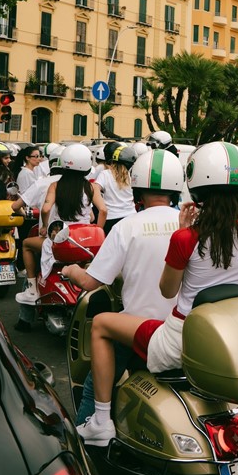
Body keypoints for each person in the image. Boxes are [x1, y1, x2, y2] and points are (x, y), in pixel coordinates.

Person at [76, 141, 238, 446]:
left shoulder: (186, 237)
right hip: (224, 339)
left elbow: (168, 290)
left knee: (100, 324)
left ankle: (99, 421)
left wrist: (182, 236)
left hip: (177, 339)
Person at [61, 148, 184, 423]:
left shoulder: (127, 227)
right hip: (184, 330)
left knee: (95, 384)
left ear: (137, 188)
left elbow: (92, 280)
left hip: (138, 331)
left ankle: (92, 427)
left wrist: (72, 271)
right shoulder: (190, 225)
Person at [15, 144, 106, 314]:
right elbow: (103, 210)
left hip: (61, 240)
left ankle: (32, 288)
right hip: (84, 242)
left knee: (27, 244)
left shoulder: (55, 185)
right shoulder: (91, 187)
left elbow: (45, 209)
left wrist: (44, 228)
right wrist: (97, 231)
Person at [93, 141, 136, 234]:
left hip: (111, 219)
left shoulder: (105, 174)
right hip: (131, 217)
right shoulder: (131, 175)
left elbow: (94, 190)